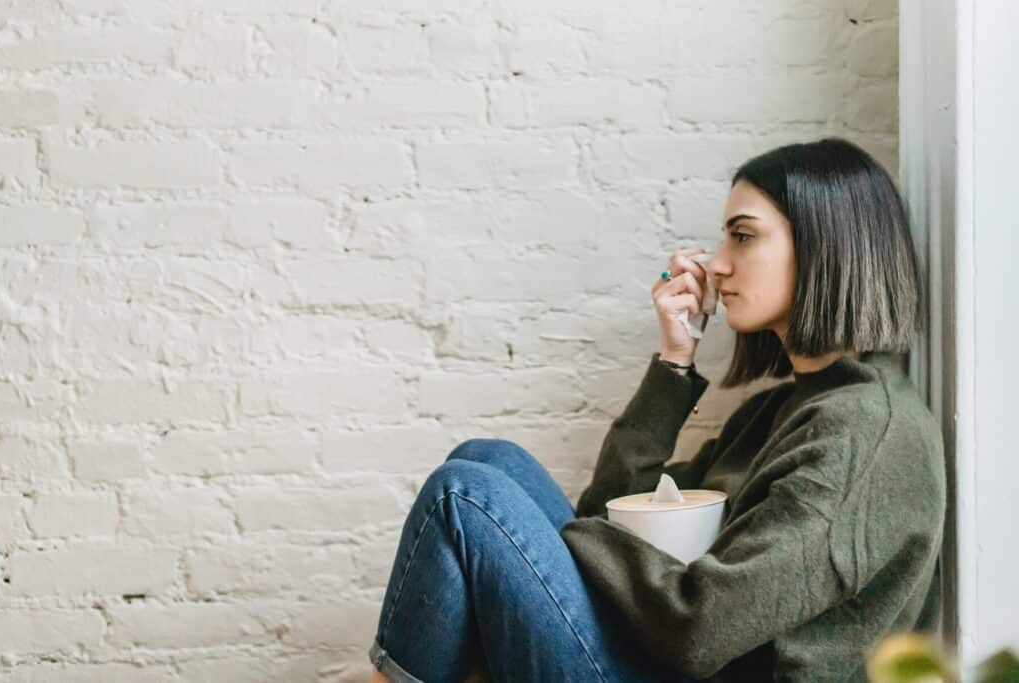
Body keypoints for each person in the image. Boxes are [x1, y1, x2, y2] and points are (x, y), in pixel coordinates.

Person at [368, 137, 946, 683]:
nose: (717, 265)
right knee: (488, 460)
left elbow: (699, 627)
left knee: (463, 495)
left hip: (689, 664)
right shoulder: (778, 411)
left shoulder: (863, 433)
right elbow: (613, 512)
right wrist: (674, 362)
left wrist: (575, 539)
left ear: (824, 247)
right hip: (665, 660)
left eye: (743, 237)